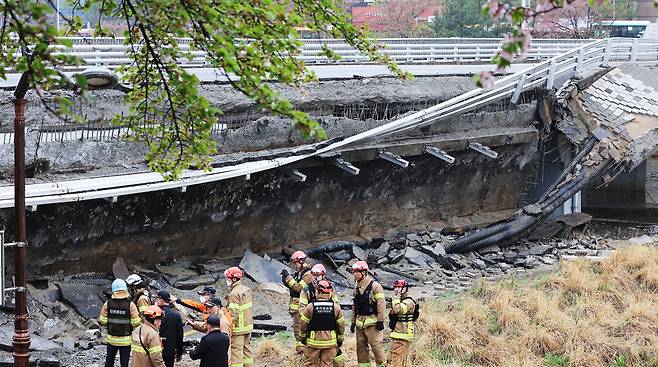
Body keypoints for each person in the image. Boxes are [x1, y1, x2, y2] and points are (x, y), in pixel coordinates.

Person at [299, 281, 345, 367]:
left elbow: (303, 324)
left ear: (319, 292)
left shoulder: (310, 307)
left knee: (310, 364)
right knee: (327, 364)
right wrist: (340, 339)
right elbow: (341, 326)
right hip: (330, 343)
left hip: (313, 342)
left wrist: (302, 337)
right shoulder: (336, 307)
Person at [350, 261, 386, 367]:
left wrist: (380, 320)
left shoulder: (375, 286)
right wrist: (353, 322)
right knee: (361, 348)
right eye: (354, 272)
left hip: (373, 323)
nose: (355, 274)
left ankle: (382, 365)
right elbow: (354, 306)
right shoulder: (356, 288)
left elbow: (381, 304)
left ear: (364, 272)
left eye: (358, 272)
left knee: (376, 346)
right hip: (359, 323)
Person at [99, 279, 142, 367]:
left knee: (109, 362)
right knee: (124, 363)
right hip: (126, 341)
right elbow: (136, 323)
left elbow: (102, 321)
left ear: (113, 290)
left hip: (112, 339)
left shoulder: (108, 304)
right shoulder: (131, 305)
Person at [281, 250, 314, 353]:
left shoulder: (308, 274)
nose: (294, 266)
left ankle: (304, 354)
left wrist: (288, 278)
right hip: (296, 307)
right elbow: (293, 287)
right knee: (297, 332)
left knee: (300, 331)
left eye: (295, 263)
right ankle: (301, 352)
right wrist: (286, 282)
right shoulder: (300, 273)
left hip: (301, 308)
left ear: (300, 261)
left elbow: (299, 288)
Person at [225, 267, 254, 367]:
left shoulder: (234, 293)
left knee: (236, 354)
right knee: (247, 352)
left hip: (238, 328)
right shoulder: (246, 290)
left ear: (234, 279)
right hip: (248, 326)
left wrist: (225, 324)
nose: (227, 280)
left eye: (228, 278)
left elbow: (233, 314)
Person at [387, 280, 417, 367]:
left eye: (399, 287)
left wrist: (396, 298)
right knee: (399, 361)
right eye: (395, 287)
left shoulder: (409, 302)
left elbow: (398, 310)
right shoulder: (401, 300)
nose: (397, 290)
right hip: (398, 334)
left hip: (402, 335)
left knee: (395, 362)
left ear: (405, 289)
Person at [154, 291, 184, 367]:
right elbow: (180, 336)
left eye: (156, 298)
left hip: (154, 349)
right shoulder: (176, 315)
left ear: (161, 299)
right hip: (169, 350)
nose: (155, 300)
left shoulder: (153, 313)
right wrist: (179, 353)